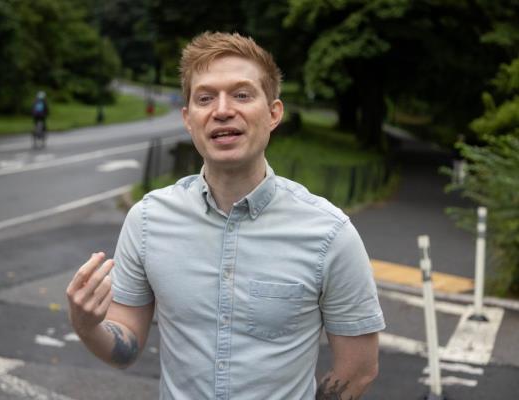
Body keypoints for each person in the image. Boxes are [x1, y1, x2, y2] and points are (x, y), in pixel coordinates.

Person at [66, 32, 385, 400]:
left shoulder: (330, 233)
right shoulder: (148, 220)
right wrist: (88, 325)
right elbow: (125, 345)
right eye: (205, 98)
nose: (221, 110)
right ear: (189, 119)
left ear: (273, 114)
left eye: (242, 94)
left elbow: (359, 370)